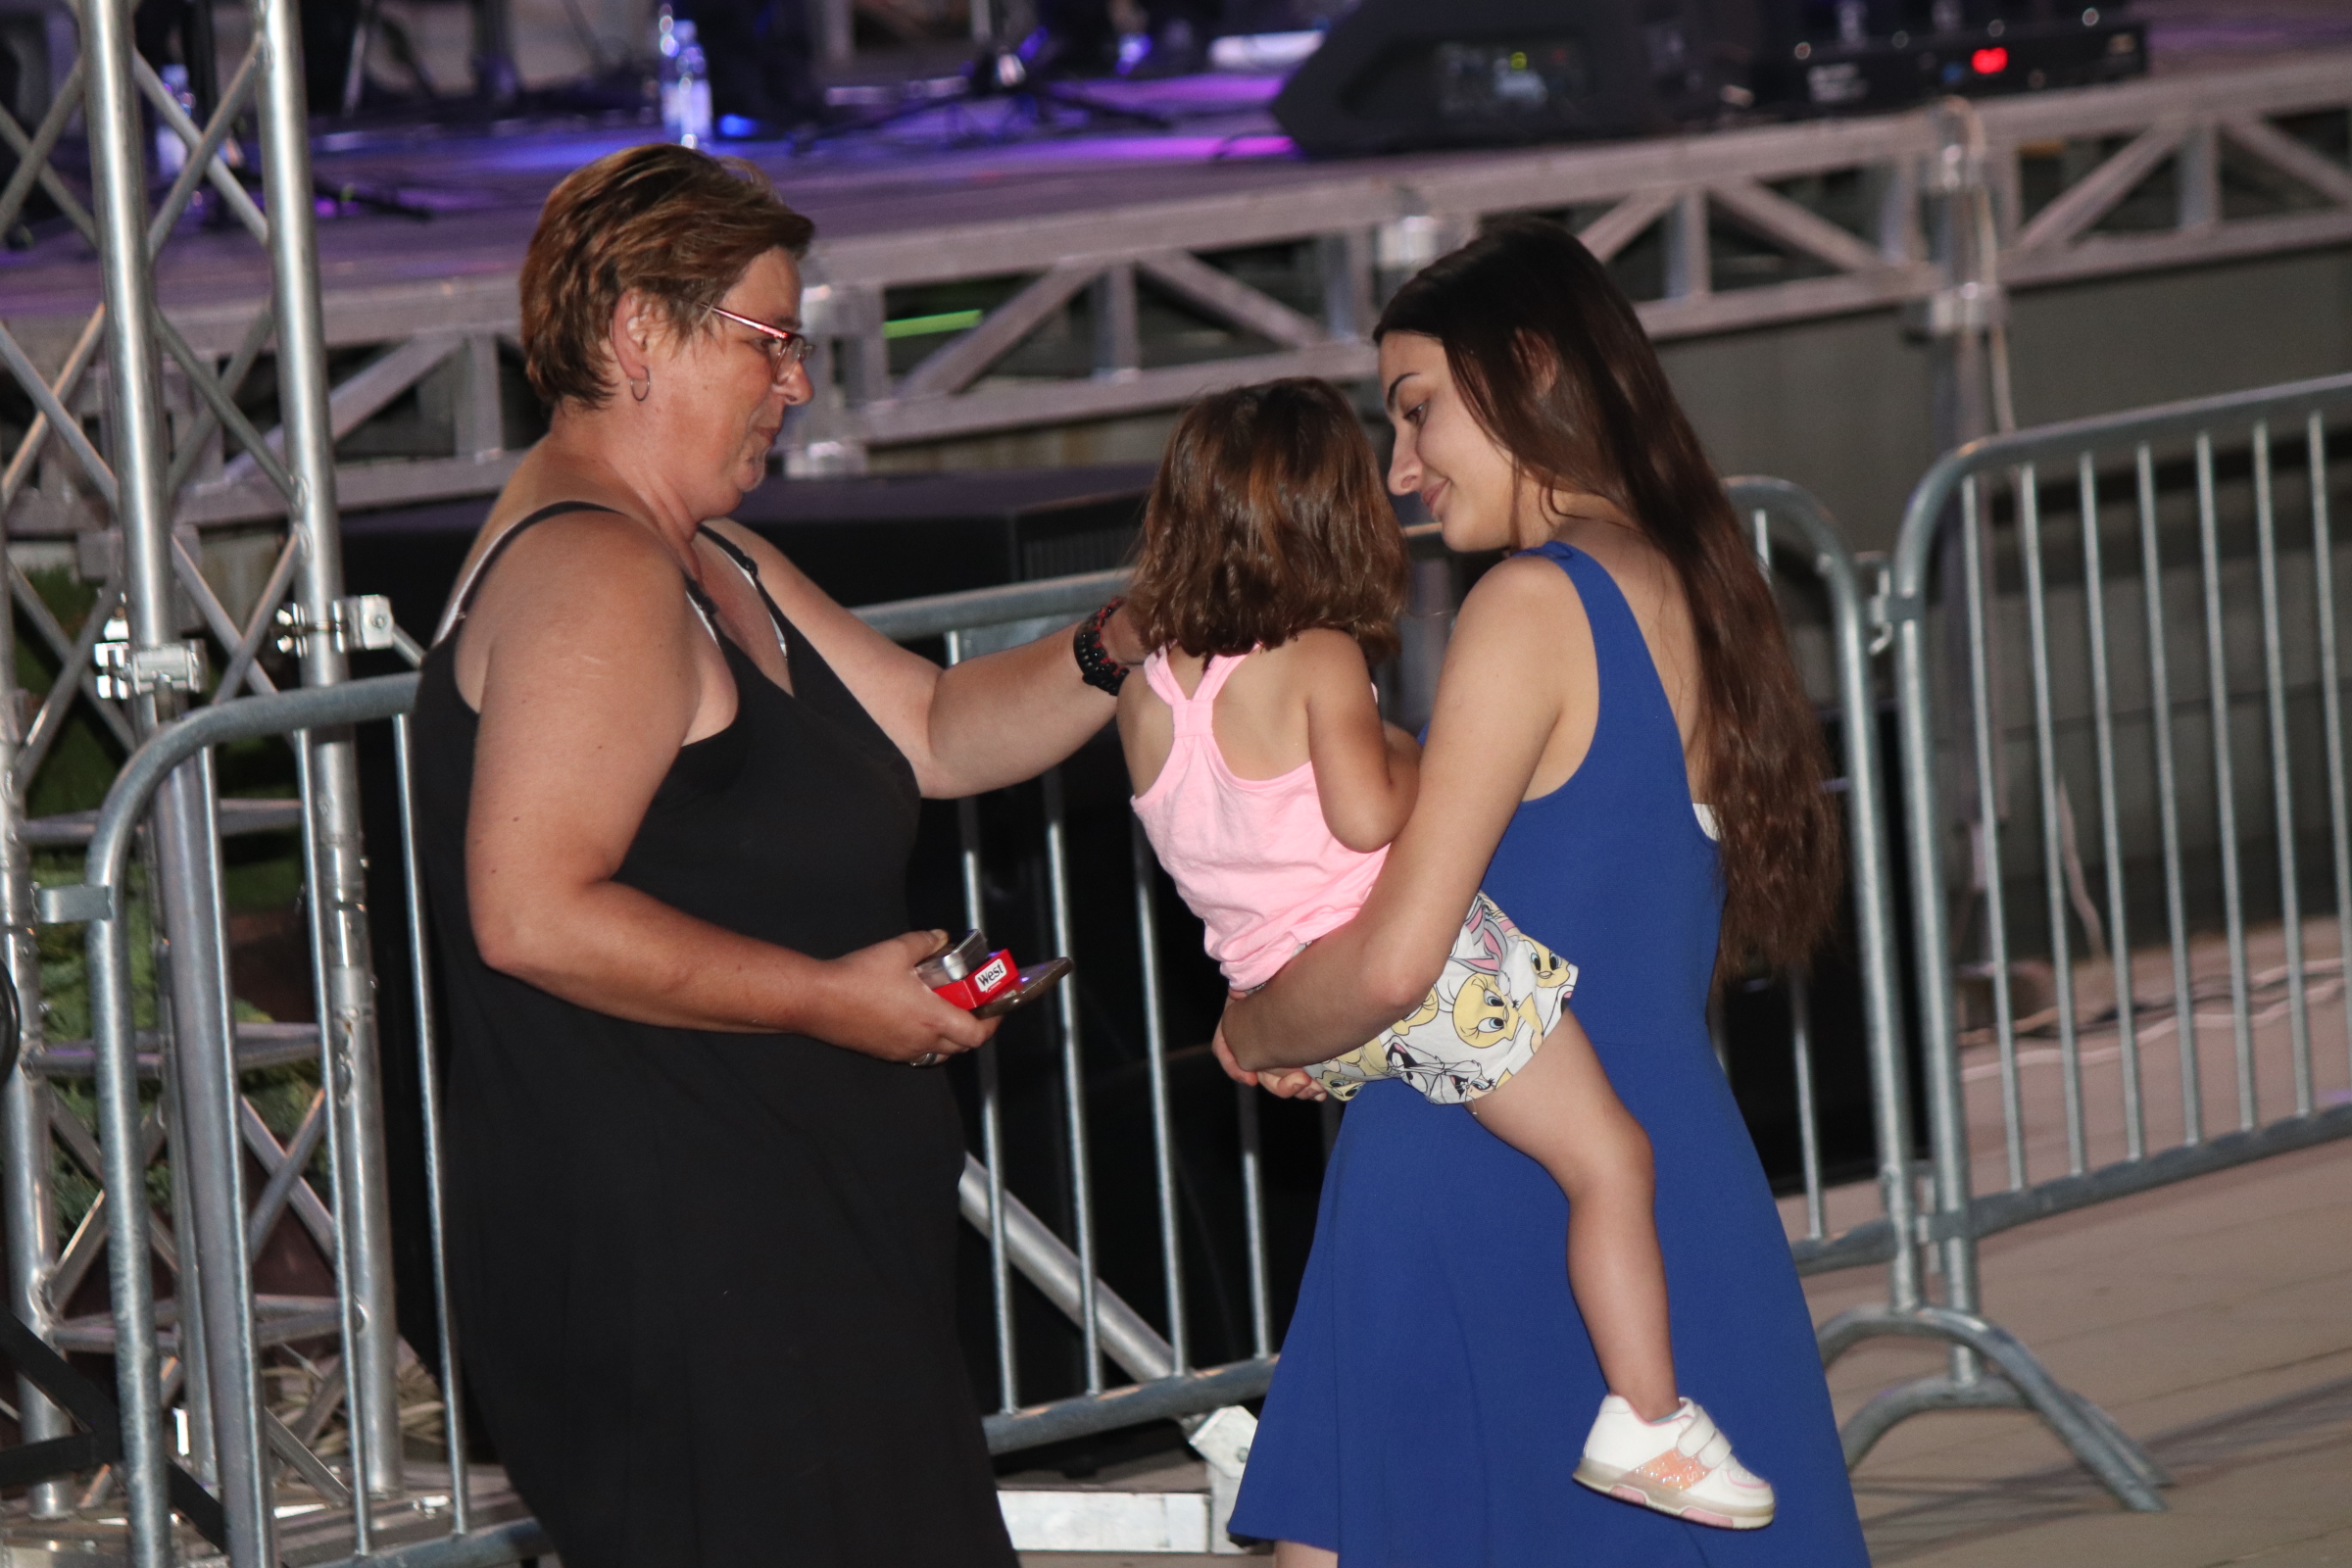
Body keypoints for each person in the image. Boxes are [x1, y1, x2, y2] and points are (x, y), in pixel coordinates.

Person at [410, 143, 1141, 1568]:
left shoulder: (711, 556)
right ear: (640, 332)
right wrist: (830, 1001)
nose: (797, 385)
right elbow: (533, 912)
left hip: (784, 1251)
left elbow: (937, 727)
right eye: (771, 341)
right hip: (690, 1269)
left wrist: (1132, 636)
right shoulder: (593, 571)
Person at [1216, 219, 1872, 1566]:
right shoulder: (1693, 578)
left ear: (1527, 367)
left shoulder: (1532, 603)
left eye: (1417, 412)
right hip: (1662, 1173)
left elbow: (1398, 960)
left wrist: (1258, 1025)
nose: (1400, 469)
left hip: (1477, 1175)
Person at [1116, 378, 1773, 1528]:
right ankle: (1646, 1416)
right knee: (1611, 1157)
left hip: (1282, 987)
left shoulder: (1144, 692)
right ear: (1333, 518)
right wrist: (1424, 753)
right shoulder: (1318, 654)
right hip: (1422, 977)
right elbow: (1370, 816)